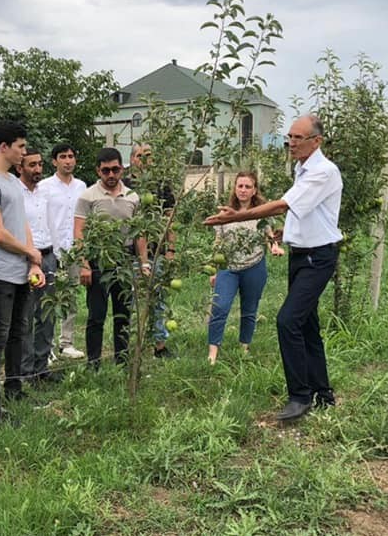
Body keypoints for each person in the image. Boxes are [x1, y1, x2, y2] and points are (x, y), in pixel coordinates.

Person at [204, 115, 342, 422]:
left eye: (298, 138)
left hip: (318, 258)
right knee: (306, 325)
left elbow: (283, 205)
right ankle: (323, 393)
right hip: (301, 253)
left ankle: (300, 396)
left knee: (287, 321)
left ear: (316, 141)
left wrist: (235, 217)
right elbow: (306, 211)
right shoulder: (302, 168)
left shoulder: (323, 172)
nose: (291, 142)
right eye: (289, 137)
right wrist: (285, 233)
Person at [0, 121, 46, 424]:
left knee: (19, 333)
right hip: (0, 272)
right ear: (4, 147)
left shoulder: (13, 181)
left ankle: (14, 387)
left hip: (21, 271)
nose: (24, 153)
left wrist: (33, 261)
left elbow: (22, 224)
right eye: (20, 147)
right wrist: (28, 252)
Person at [75, 147, 146, 368]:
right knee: (96, 314)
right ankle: (93, 362)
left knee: (123, 313)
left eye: (115, 169)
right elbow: (79, 232)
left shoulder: (133, 196)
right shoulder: (88, 196)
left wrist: (144, 262)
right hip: (98, 260)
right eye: (106, 171)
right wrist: (84, 263)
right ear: (98, 171)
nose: (111, 175)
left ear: (122, 169)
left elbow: (140, 232)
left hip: (124, 260)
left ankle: (122, 361)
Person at [207, 171, 285, 365]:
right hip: (228, 267)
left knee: (249, 309)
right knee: (220, 307)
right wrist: (214, 270)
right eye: (240, 186)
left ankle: (244, 348)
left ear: (254, 190)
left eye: (247, 186)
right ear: (234, 188)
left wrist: (274, 247)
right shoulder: (224, 213)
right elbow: (218, 243)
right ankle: (212, 354)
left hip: (254, 266)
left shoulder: (262, 213)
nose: (243, 190)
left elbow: (269, 237)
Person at [123, 143, 177, 358]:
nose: (144, 160)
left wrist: (171, 249)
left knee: (158, 301)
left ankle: (159, 345)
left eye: (148, 155)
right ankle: (130, 347)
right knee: (132, 300)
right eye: (139, 155)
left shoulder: (162, 185)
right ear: (132, 159)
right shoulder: (125, 186)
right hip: (130, 253)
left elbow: (170, 219)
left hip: (158, 251)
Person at [38, 143, 86, 360]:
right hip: (52, 250)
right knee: (48, 299)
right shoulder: (44, 187)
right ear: (54, 161)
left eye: (71, 156)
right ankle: (45, 346)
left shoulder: (81, 187)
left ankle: (66, 343)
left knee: (70, 297)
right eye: (63, 157)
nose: (68, 160)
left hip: (74, 250)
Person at [16, 147, 59, 384]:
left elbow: (52, 224)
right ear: (19, 167)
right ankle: (25, 371)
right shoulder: (14, 193)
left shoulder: (46, 193)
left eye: (40, 164)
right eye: (31, 165)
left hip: (48, 256)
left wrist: (56, 256)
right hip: (25, 259)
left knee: (47, 313)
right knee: (26, 317)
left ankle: (42, 367)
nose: (37, 169)